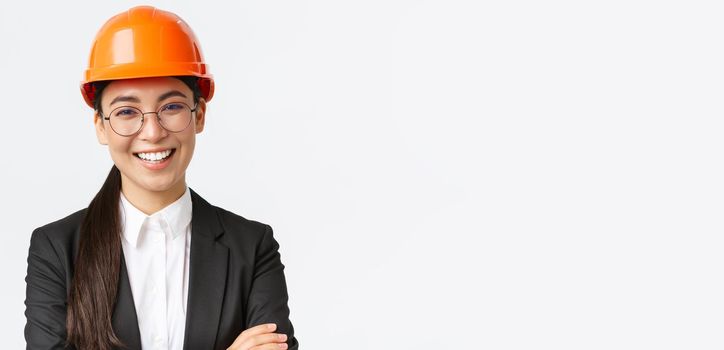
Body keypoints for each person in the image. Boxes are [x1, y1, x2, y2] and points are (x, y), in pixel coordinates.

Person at [23, 6, 299, 350]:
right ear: (101, 127)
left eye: (172, 107)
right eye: (126, 112)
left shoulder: (252, 248)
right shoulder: (56, 250)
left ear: (199, 115)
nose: (152, 132)